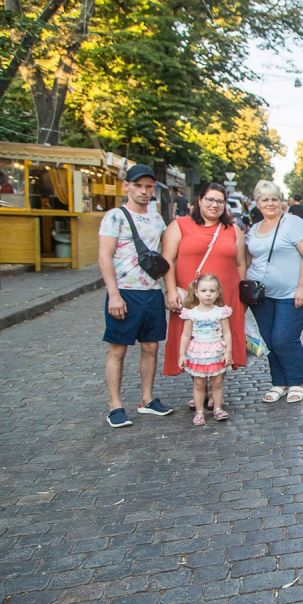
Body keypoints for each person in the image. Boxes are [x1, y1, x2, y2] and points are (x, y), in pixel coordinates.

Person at [97, 164, 174, 428]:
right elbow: (104, 257)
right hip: (125, 292)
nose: (143, 191)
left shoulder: (156, 218)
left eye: (148, 186)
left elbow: (163, 257)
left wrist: (168, 288)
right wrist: (114, 294)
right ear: (127, 186)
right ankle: (115, 405)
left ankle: (147, 399)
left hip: (150, 292)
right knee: (118, 349)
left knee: (151, 347)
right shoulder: (115, 216)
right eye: (138, 185)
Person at [161, 182, 247, 410]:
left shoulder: (233, 230)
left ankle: (214, 390)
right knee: (195, 341)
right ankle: (200, 386)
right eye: (210, 199)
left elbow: (240, 263)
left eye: (220, 201)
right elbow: (167, 260)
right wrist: (170, 290)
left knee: (219, 340)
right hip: (192, 298)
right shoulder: (180, 225)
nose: (214, 205)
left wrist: (239, 296)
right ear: (199, 200)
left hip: (225, 295)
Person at [246, 181, 303, 404]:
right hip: (262, 297)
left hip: (293, 294)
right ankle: (279, 382)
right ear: (257, 203)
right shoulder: (254, 229)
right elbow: (249, 258)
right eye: (265, 199)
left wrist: (302, 287)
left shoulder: (292, 223)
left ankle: (296, 382)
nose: (270, 203)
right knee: (269, 340)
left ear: (282, 201)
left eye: (274, 199)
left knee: (283, 338)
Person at [177, 274, 232, 425]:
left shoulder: (221, 312)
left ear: (218, 292)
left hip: (216, 350)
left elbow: (227, 333)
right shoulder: (191, 313)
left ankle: (218, 408)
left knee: (217, 382)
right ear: (196, 292)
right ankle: (199, 411)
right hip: (198, 352)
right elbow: (185, 335)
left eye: (212, 291)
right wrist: (181, 354)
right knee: (199, 383)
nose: (208, 294)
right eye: (204, 290)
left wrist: (228, 352)